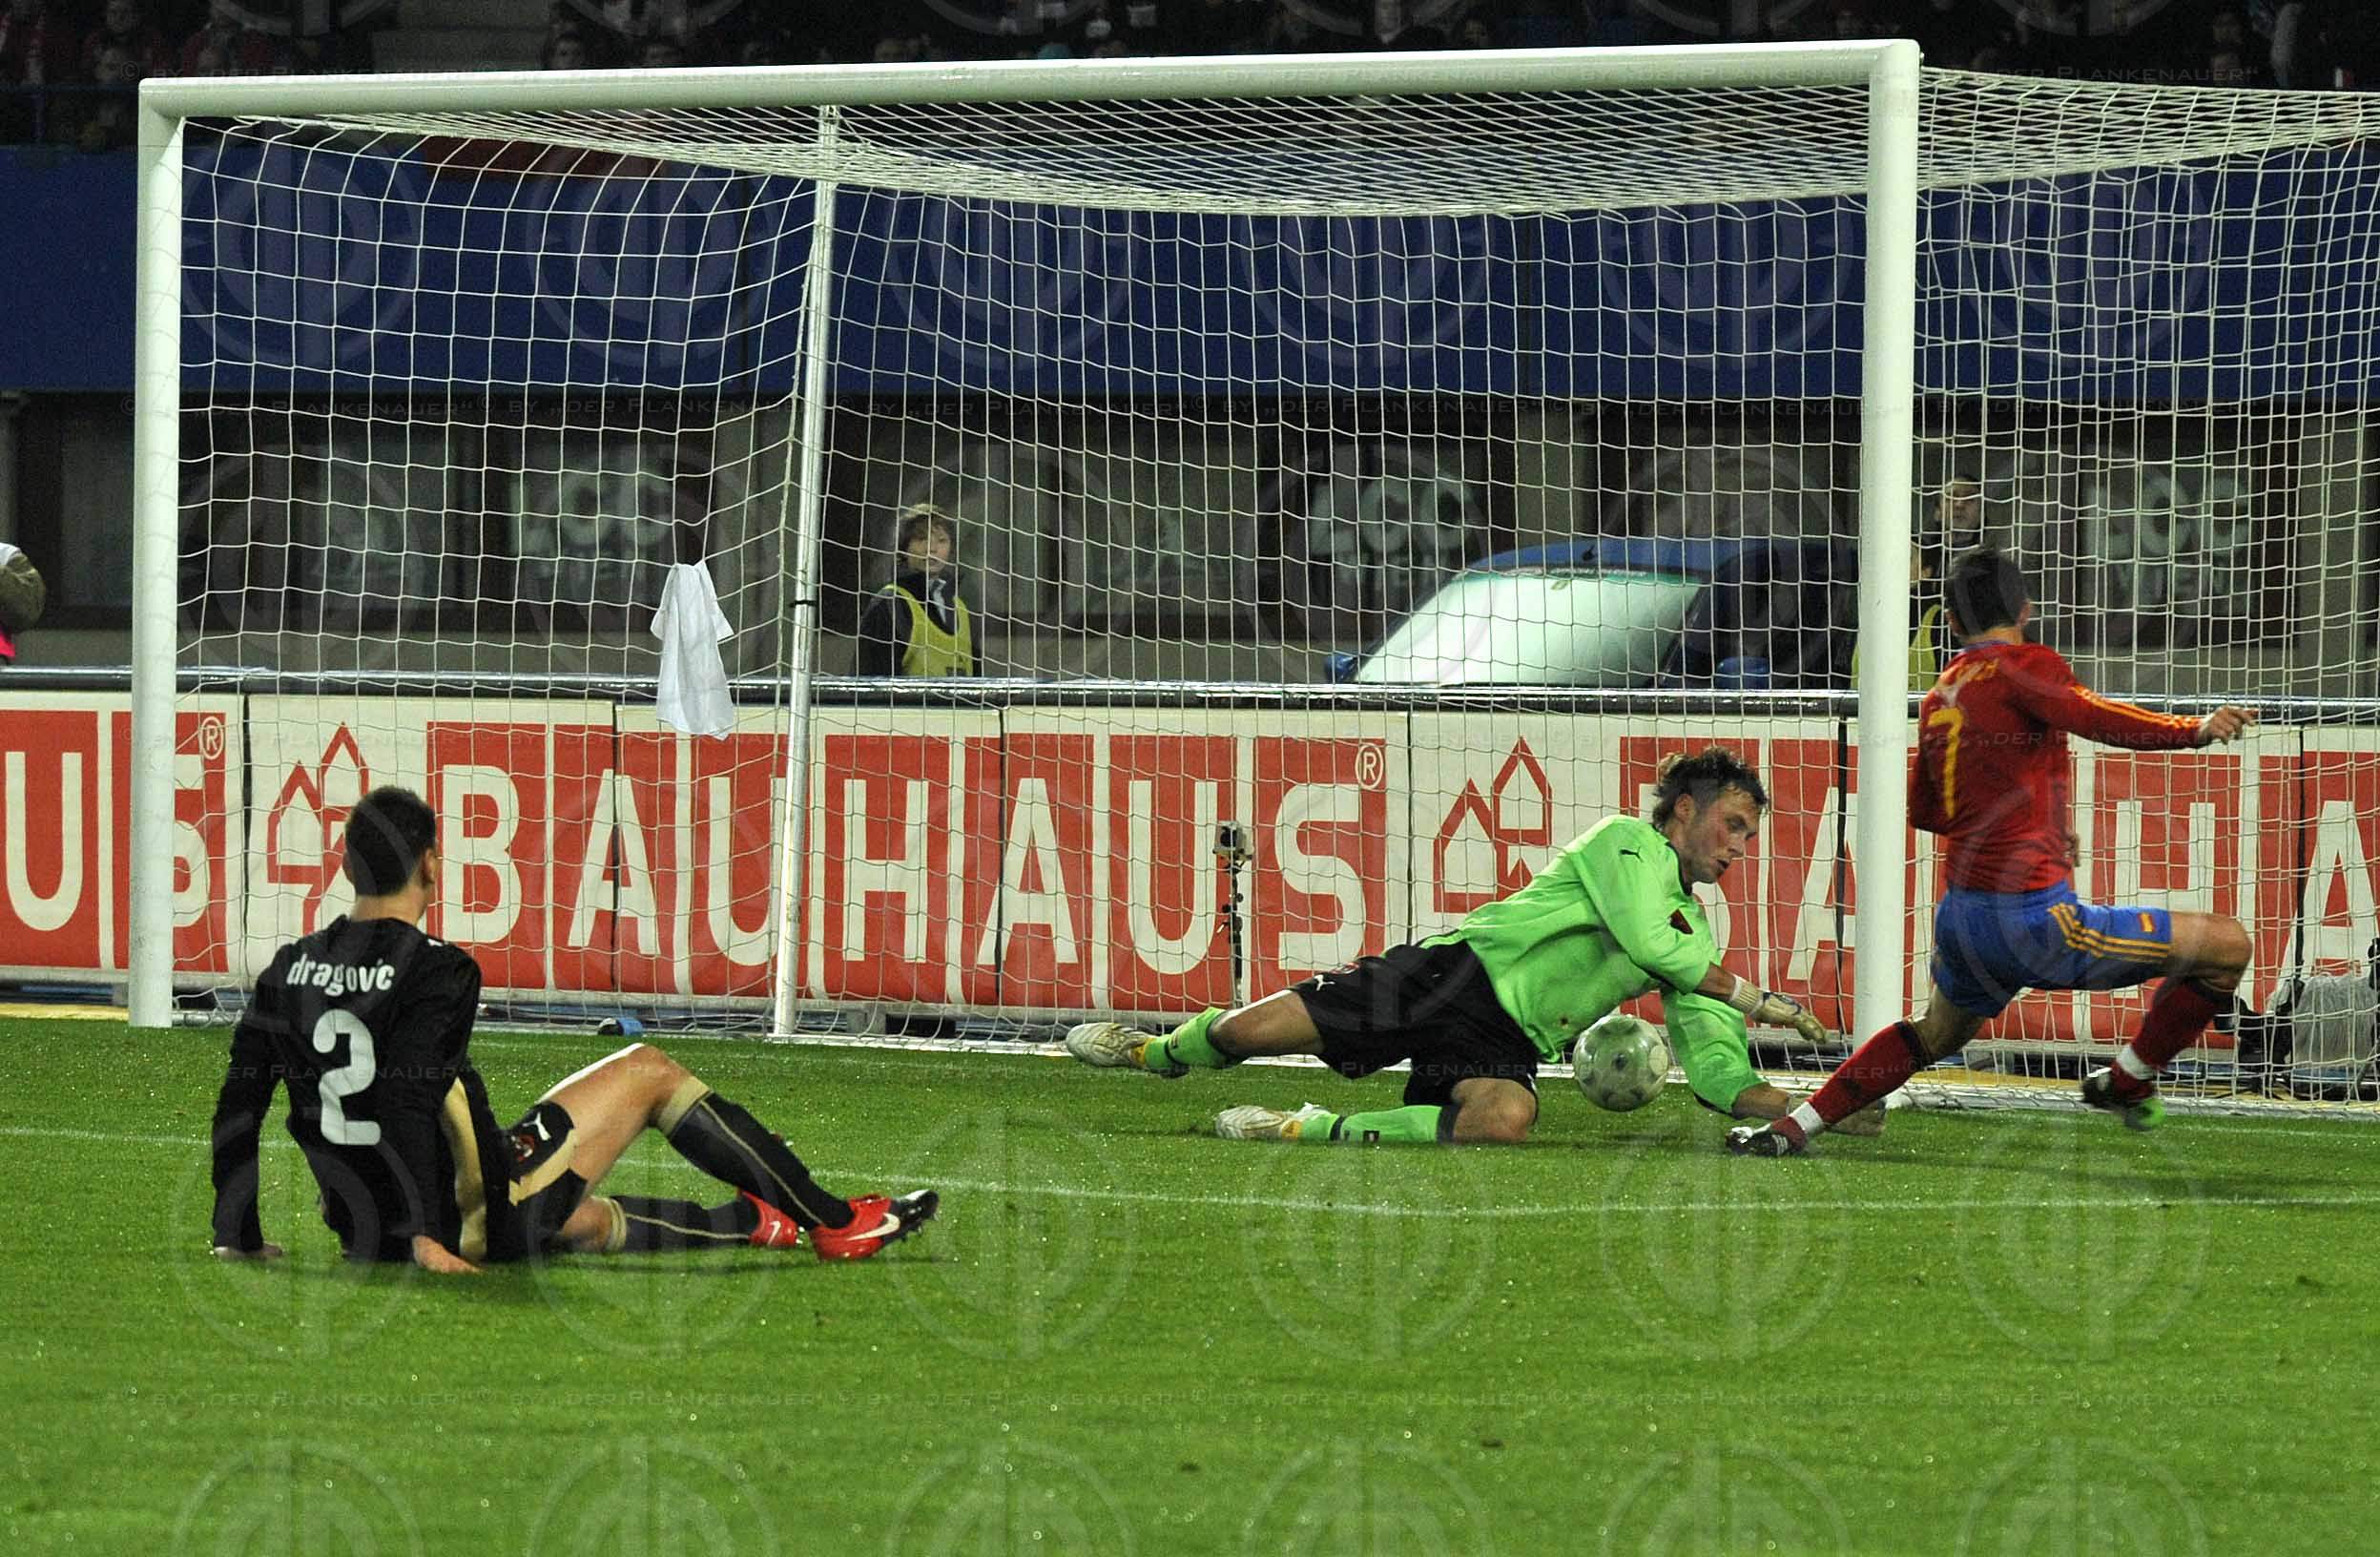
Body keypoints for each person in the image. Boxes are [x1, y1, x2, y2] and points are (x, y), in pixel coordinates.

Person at [208, 785, 936, 1270]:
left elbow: (239, 1107)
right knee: (647, 1070)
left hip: (358, 1229)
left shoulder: (289, 965)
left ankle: (753, 1217)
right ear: (433, 861)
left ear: (345, 866)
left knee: (570, 1215)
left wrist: (233, 1234)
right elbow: (406, 1101)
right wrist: (424, 1239)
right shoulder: (438, 969)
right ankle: (836, 1220)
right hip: (452, 1218)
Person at [1728, 550, 2258, 1157]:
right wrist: (2190, 730)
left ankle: (1795, 1128)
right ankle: (2129, 1079)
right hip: (2034, 920)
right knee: (2227, 947)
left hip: (1963, 919)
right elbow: (2092, 715)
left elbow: (1927, 812)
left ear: (1951, 623)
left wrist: (2029, 823)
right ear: (2026, 610)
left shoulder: (1941, 693)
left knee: (1933, 1034)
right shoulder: (2027, 665)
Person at [1066, 747, 1866, 1145]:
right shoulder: (1624, 843)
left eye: (1749, 836)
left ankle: (1300, 1126)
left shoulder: (1693, 938)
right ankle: (1152, 1052)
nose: (1738, 847)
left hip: (1503, 1034)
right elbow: (1644, 939)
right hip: (1452, 973)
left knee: (1504, 1118)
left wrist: (1818, 1106)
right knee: (1243, 1035)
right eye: (1732, 826)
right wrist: (1754, 997)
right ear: (1682, 812)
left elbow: (1716, 1062)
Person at [857, 502, 975, 677]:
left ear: (951, 549)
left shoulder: (961, 608)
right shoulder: (890, 602)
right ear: (904, 548)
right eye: (921, 539)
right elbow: (872, 681)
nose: (932, 548)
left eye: (942, 540)